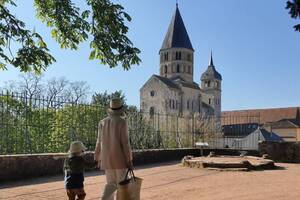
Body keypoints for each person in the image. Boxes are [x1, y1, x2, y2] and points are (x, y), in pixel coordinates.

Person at [94, 98, 133, 200]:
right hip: (120, 159)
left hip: (106, 158)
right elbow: (125, 143)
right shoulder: (122, 122)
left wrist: (97, 157)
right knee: (122, 184)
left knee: (110, 184)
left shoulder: (102, 122)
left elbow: (98, 141)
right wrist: (129, 159)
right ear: (121, 110)